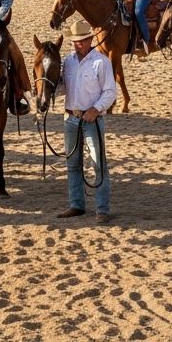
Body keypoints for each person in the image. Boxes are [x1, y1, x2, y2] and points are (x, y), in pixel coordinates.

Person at [54, 20, 117, 224]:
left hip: (92, 119)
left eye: (81, 40)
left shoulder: (102, 62)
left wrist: (95, 109)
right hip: (70, 117)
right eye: (74, 41)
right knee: (72, 163)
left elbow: (110, 93)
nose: (77, 44)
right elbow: (63, 88)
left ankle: (102, 209)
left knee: (98, 164)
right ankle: (76, 204)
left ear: (90, 39)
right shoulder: (68, 61)